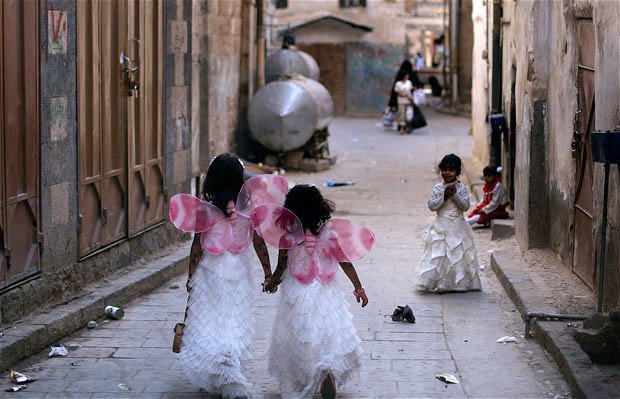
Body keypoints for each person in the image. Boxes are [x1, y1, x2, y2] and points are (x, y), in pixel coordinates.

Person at [168, 153, 288, 398]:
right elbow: (259, 242)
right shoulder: (249, 210)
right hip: (240, 274)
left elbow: (197, 247)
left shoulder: (207, 210)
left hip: (211, 273)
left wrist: (191, 277)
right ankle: (228, 364)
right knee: (233, 319)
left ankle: (217, 370)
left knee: (210, 320)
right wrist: (268, 275)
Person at [252, 184, 375, 399]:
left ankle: (307, 373)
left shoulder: (287, 238)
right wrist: (359, 288)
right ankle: (326, 366)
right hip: (325, 289)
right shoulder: (328, 234)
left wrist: (271, 282)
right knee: (326, 330)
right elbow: (345, 262)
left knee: (301, 333)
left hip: (296, 290)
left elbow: (281, 268)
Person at [417, 154, 482, 292]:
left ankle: (457, 283)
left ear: (457, 172)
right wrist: (444, 196)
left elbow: (465, 206)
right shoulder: (438, 188)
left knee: (456, 254)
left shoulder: (461, 188)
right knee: (440, 254)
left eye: (451, 170)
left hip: (458, 226)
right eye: (444, 170)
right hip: (441, 225)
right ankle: (439, 282)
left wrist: (455, 195)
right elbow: (432, 206)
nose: (447, 173)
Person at [387, 60, 426, 132]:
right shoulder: (413, 74)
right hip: (409, 98)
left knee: (402, 113)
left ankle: (402, 126)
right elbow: (417, 85)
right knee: (408, 113)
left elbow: (394, 89)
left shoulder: (400, 74)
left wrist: (391, 102)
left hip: (402, 99)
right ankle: (406, 126)